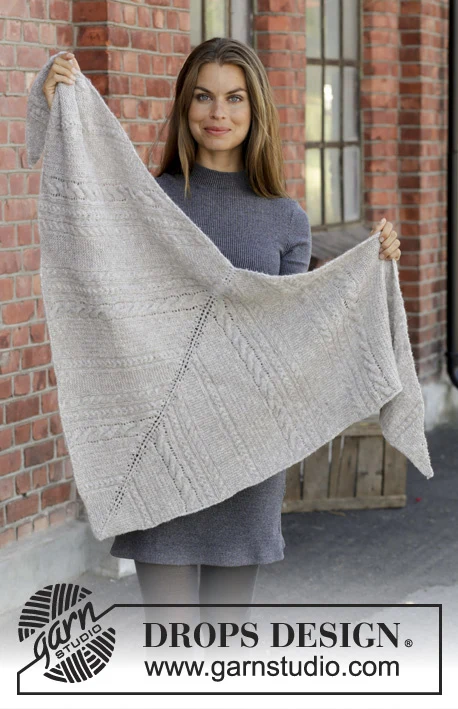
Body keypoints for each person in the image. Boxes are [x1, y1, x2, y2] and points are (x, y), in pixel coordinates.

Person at [42, 38, 401, 644]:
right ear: (185, 106)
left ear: (255, 109)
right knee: (171, 650)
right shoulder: (149, 203)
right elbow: (87, 244)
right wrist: (60, 108)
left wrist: (370, 268)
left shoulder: (285, 218)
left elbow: (295, 333)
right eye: (203, 97)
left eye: (235, 98)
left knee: (226, 649)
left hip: (246, 451)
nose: (218, 113)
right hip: (163, 449)